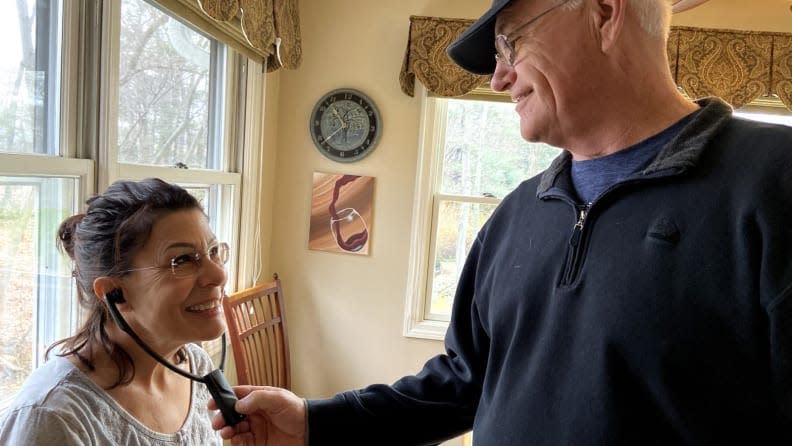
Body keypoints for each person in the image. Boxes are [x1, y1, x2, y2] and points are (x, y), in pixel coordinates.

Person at [212, 0, 792, 444]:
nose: (497, 77)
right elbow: (463, 382)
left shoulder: (773, 183)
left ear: (604, 11)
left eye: (510, 43)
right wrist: (317, 423)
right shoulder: (516, 214)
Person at [0, 178, 230, 445]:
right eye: (181, 260)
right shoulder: (54, 418)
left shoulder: (196, 365)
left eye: (213, 251)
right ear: (114, 293)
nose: (218, 274)